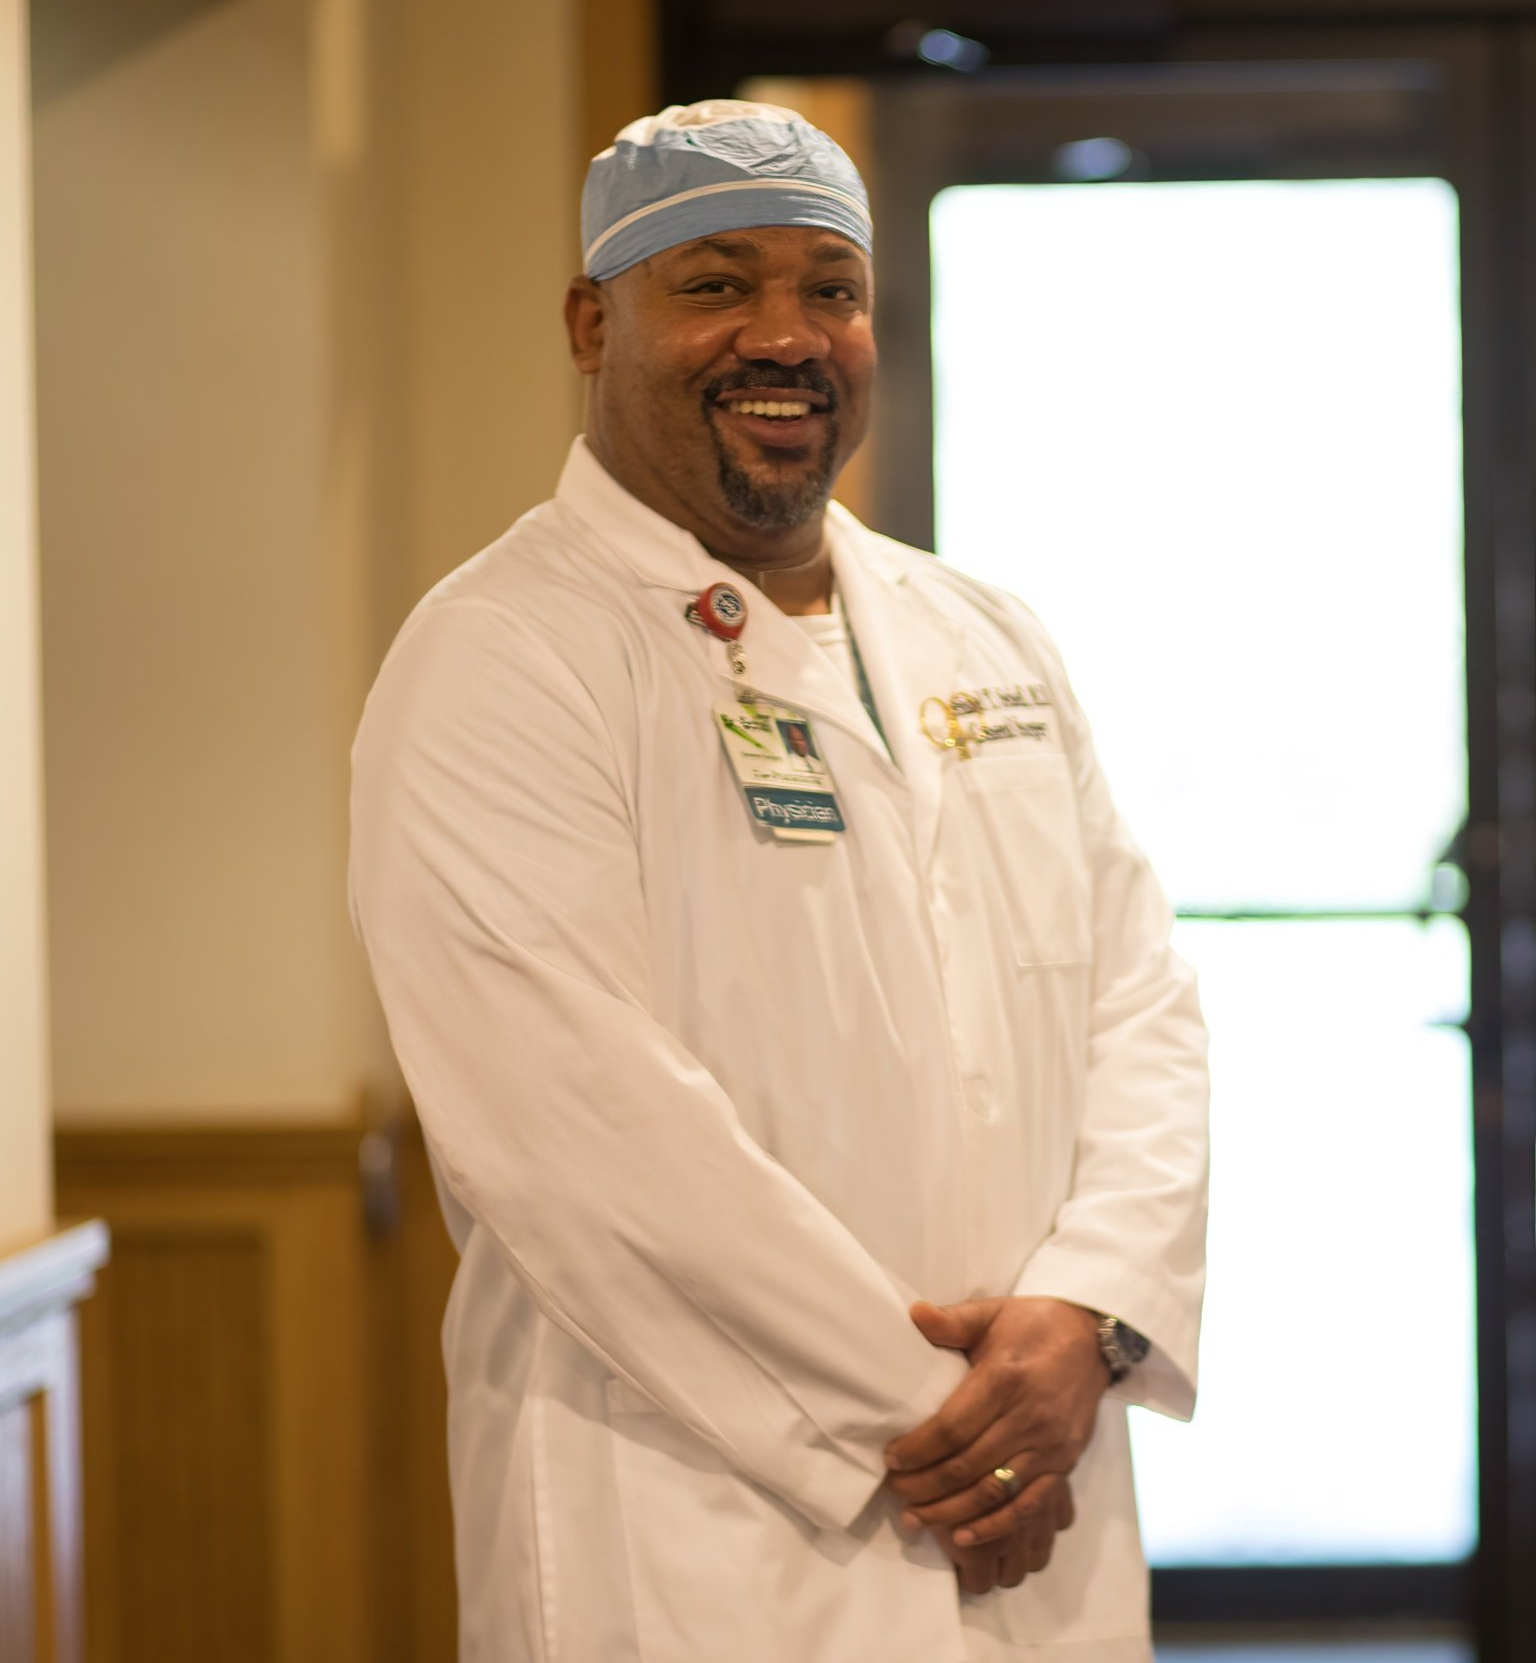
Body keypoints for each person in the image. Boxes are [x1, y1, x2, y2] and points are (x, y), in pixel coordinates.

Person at [350, 99, 1209, 1663]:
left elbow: (1139, 997)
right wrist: (953, 1428)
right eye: (715, 285)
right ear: (589, 319)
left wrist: (1088, 1318)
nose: (785, 335)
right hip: (706, 1522)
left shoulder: (983, 634)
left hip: (1040, 1491)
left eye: (831, 287)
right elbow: (585, 1129)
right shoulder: (504, 654)